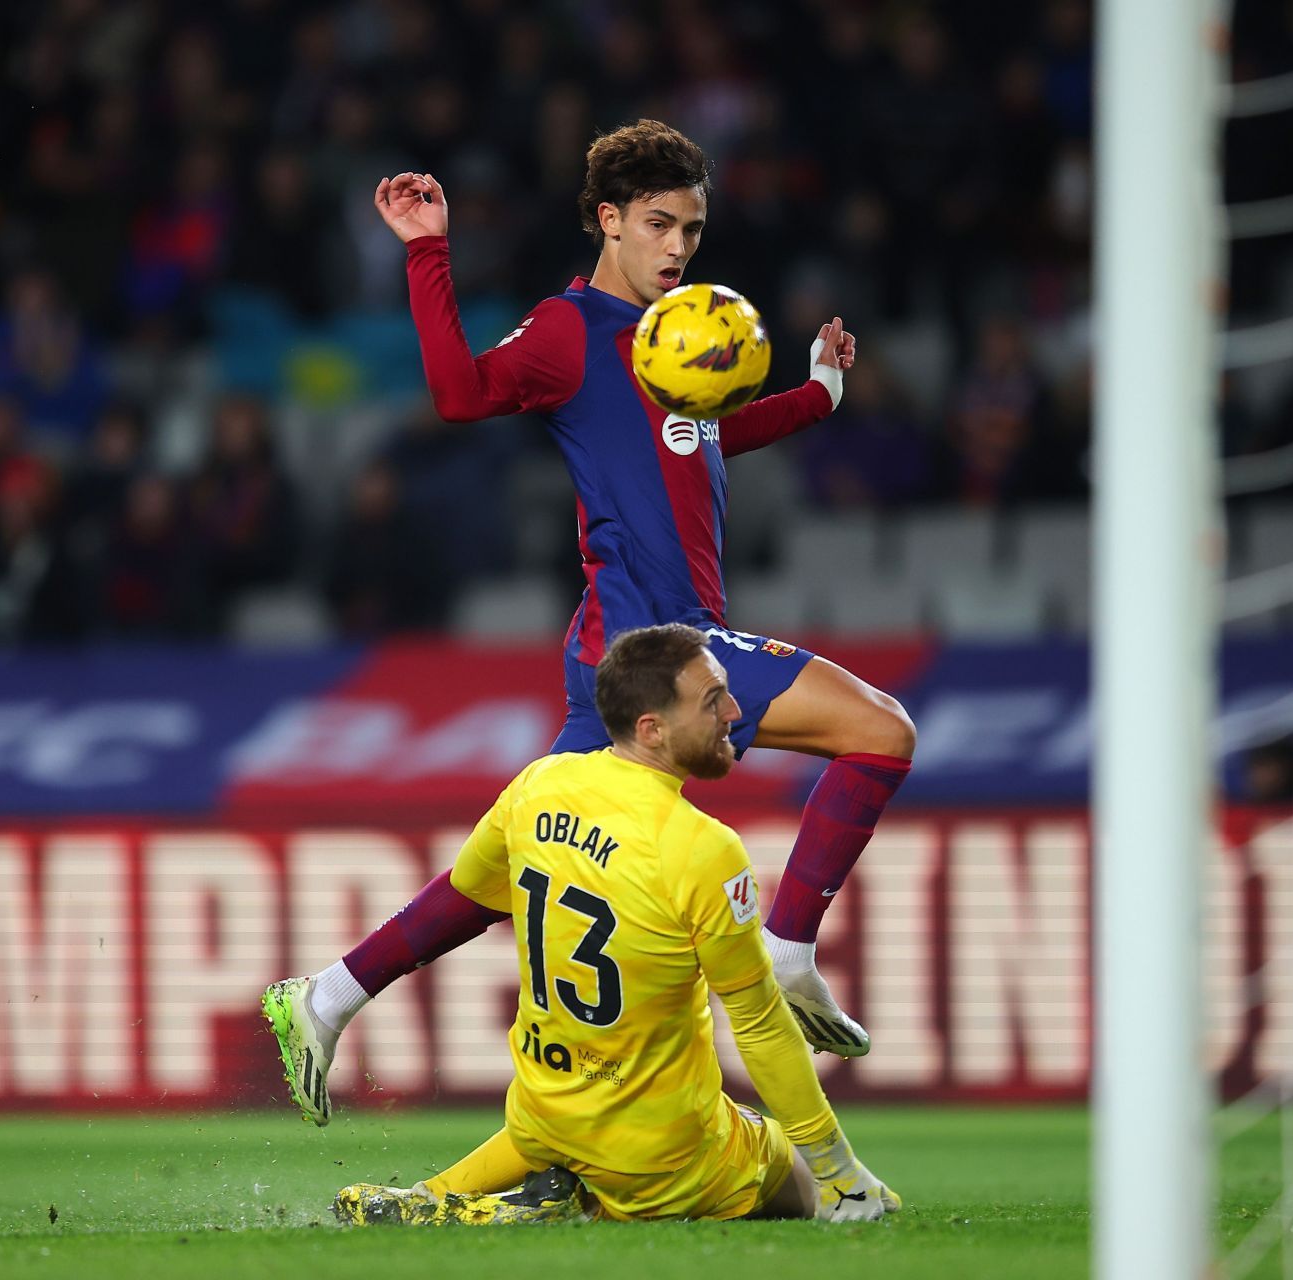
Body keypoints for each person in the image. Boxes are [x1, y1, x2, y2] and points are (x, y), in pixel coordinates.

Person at [267, 120, 915, 1126]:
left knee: (512, 859)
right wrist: (429, 250)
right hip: (648, 650)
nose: (677, 248)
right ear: (608, 220)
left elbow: (705, 435)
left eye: (692, 229)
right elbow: (458, 392)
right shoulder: (570, 332)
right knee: (880, 729)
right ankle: (786, 945)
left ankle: (327, 993)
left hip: (638, 652)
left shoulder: (676, 341)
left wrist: (816, 396)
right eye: (658, 224)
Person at [270, 624, 899, 1226]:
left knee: (571, 1124)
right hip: (665, 1153)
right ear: (651, 729)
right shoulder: (705, 849)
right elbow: (760, 1027)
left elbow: (464, 894)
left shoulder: (536, 786)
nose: (736, 711)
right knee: (856, 1195)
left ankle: (435, 1196)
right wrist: (837, 1169)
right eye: (713, 701)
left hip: (546, 1115)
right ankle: (546, 1207)